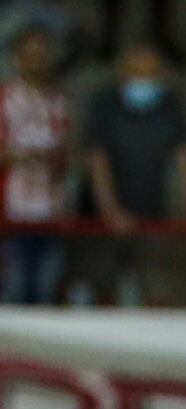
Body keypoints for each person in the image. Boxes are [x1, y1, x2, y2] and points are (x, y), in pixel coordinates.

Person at [80, 43, 186, 305]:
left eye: (151, 74)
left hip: (152, 214)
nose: (145, 80)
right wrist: (111, 211)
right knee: (101, 292)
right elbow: (97, 160)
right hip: (100, 219)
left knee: (157, 292)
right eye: (138, 73)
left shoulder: (170, 105)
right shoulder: (104, 104)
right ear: (123, 73)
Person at [0, 26, 70, 305]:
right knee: (13, 292)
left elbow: (63, 155)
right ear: (17, 59)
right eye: (30, 55)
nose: (36, 61)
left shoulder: (57, 102)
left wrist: (49, 157)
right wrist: (25, 156)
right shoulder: (5, 99)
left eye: (42, 55)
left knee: (45, 293)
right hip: (10, 212)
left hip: (50, 210)